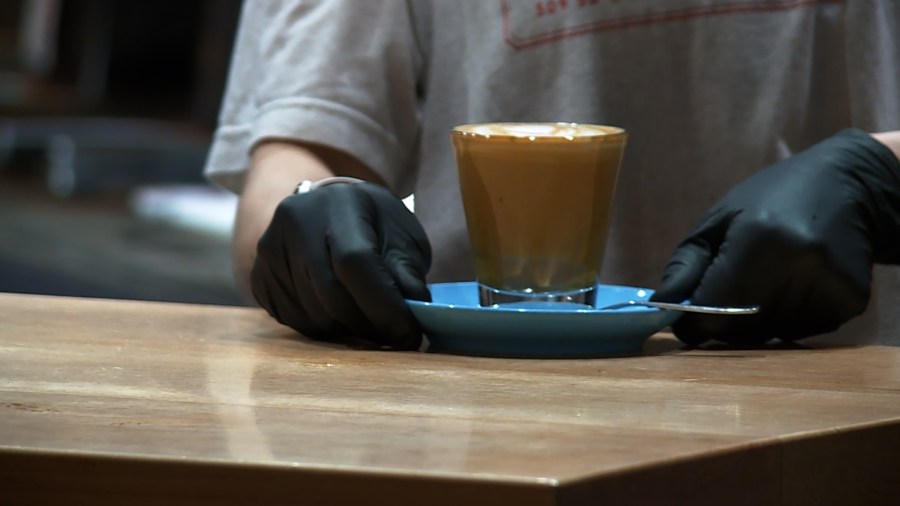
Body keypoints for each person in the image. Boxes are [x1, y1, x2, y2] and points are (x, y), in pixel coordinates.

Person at [205, 0, 900, 349]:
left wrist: (882, 177)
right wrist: (312, 215)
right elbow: (297, 157)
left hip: (832, 397)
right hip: (471, 416)